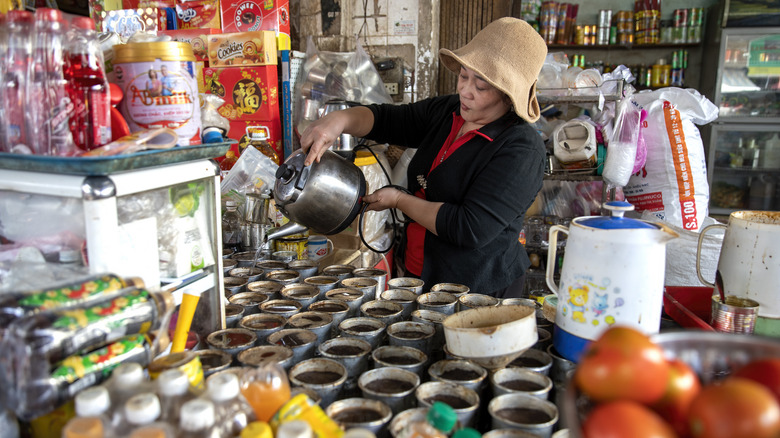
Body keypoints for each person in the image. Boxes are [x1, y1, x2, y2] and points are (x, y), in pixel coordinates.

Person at [300, 17, 548, 298]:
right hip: (419, 275)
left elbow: (468, 227)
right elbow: (388, 120)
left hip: (476, 291)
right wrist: (339, 119)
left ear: (508, 96)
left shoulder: (521, 150)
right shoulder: (448, 111)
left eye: (481, 86)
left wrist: (399, 200)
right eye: (463, 75)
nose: (465, 91)